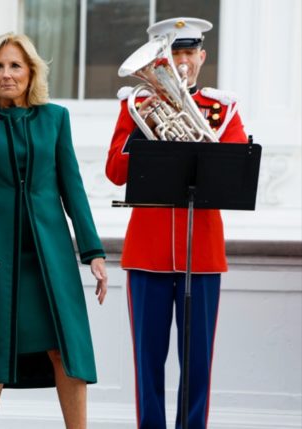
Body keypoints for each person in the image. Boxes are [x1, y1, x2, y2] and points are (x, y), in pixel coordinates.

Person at [0, 32, 108, 429]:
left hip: (49, 253)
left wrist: (93, 252)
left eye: (15, 65)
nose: (6, 74)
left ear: (31, 71)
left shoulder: (55, 118)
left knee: (64, 347)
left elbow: (72, 185)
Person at [106, 17, 247, 429]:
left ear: (202, 57)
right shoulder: (133, 106)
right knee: (147, 362)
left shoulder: (222, 108)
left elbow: (235, 170)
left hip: (201, 252)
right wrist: (145, 131)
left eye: (188, 53)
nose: (181, 62)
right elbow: (116, 170)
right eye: (174, 54)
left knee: (198, 362)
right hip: (147, 252)